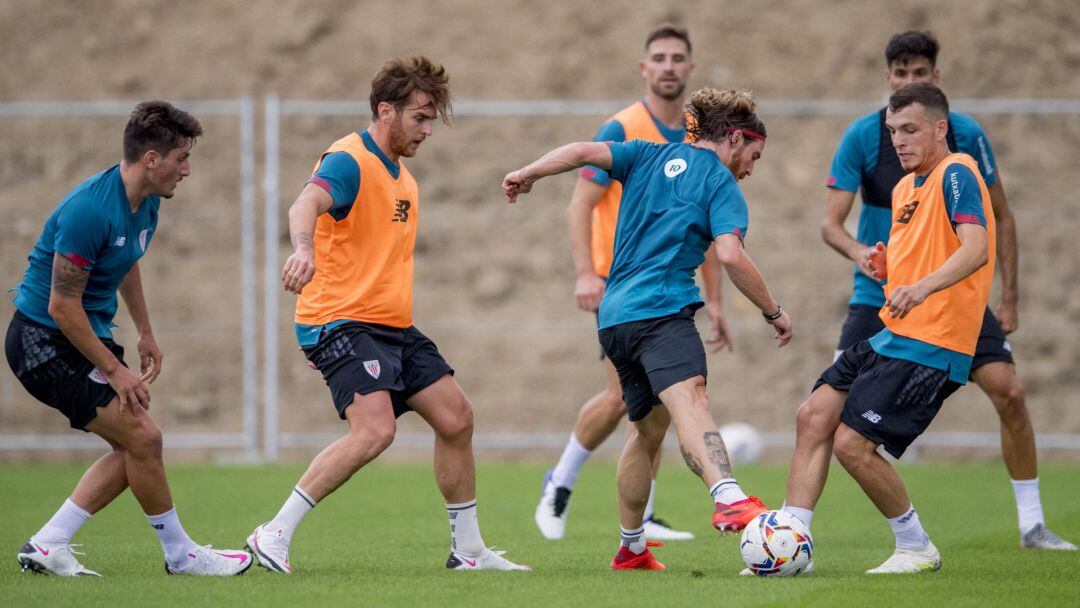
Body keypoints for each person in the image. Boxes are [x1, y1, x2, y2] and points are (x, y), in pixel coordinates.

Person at [246, 56, 528, 574]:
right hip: (340, 320)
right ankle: (272, 534)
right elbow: (304, 204)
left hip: (389, 327)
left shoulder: (405, 181)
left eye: (431, 119)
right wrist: (303, 250)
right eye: (420, 117)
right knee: (375, 431)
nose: (426, 130)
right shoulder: (348, 160)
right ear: (385, 110)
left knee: (456, 418)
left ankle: (467, 552)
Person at [802, 30, 1074, 551]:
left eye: (918, 73)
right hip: (879, 296)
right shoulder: (865, 136)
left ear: (935, 81)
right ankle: (795, 533)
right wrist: (865, 255)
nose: (909, 81)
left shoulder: (964, 141)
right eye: (900, 74)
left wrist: (1009, 295)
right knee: (826, 410)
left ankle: (1032, 523)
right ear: (888, 79)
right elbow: (831, 224)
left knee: (1010, 392)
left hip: (948, 295)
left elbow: (999, 218)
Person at [504, 88, 791, 571]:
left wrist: (527, 173)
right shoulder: (722, 186)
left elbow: (578, 152)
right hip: (661, 309)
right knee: (691, 400)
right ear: (736, 139)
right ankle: (729, 497)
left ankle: (631, 546)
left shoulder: (647, 153)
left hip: (615, 317)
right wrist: (773, 311)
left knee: (648, 431)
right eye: (754, 156)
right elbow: (729, 255)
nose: (751, 168)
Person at [7, 101, 252, 576]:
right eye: (181, 157)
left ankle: (48, 543)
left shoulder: (146, 203)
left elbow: (126, 259)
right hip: (44, 340)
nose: (188, 169)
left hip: (80, 333)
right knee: (145, 436)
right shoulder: (88, 211)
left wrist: (145, 330)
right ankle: (181, 556)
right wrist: (117, 371)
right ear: (152, 160)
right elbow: (61, 306)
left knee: (136, 446)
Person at [787, 82, 996, 574]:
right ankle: (790, 543)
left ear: (940, 129)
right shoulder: (905, 187)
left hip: (933, 341)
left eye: (910, 130)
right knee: (814, 415)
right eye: (892, 132)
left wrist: (920, 288)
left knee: (852, 444)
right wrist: (889, 267)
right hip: (891, 334)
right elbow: (922, 253)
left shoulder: (958, 171)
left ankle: (916, 547)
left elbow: (975, 248)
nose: (899, 141)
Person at [535, 25, 727, 543]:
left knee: (659, 407)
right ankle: (560, 482)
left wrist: (715, 298)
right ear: (644, 68)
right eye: (658, 57)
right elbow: (581, 203)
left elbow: (699, 224)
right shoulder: (623, 127)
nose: (668, 66)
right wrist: (584, 273)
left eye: (677, 58)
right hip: (619, 284)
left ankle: (643, 517)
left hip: (668, 287)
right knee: (624, 398)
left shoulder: (695, 135)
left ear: (690, 67)